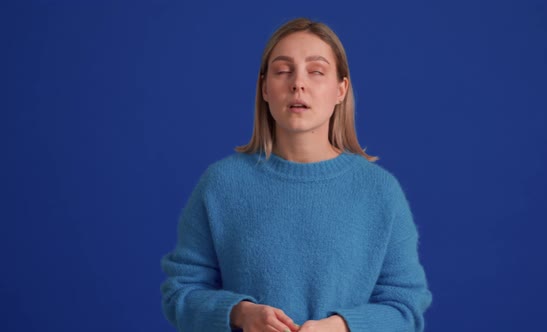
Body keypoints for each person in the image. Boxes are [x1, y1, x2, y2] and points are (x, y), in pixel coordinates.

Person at [160, 17, 432, 332]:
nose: (297, 83)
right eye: (282, 71)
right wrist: (241, 313)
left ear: (341, 89)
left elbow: (406, 309)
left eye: (316, 71)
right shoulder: (220, 185)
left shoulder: (381, 191)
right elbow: (180, 293)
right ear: (264, 88)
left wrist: (343, 327)